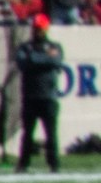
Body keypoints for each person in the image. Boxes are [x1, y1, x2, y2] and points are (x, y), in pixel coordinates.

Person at [13, 15, 68, 171]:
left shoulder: (54, 46)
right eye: (35, 28)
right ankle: (23, 163)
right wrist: (43, 58)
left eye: (40, 29)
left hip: (48, 97)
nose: (37, 32)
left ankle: (54, 164)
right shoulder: (25, 47)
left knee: (51, 134)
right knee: (27, 134)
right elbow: (23, 62)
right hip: (30, 97)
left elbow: (55, 61)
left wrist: (35, 59)